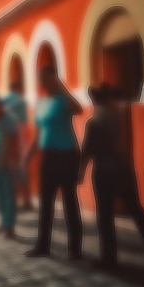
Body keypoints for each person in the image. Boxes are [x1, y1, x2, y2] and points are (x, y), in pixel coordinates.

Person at [79, 84, 144, 270]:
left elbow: (87, 150)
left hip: (103, 171)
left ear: (94, 99)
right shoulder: (119, 116)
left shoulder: (93, 122)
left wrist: (80, 172)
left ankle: (109, 258)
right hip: (123, 168)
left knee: (104, 215)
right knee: (135, 209)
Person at [25, 65, 83, 260]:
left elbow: (79, 109)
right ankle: (43, 245)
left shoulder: (63, 99)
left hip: (67, 155)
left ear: (54, 80)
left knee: (69, 201)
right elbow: (38, 132)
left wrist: (63, 88)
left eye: (47, 78)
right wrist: (29, 155)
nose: (43, 82)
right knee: (46, 202)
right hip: (48, 156)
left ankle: (75, 249)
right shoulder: (41, 103)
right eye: (41, 79)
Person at [0, 96, 18, 239]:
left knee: (8, 194)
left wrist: (6, 160)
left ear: (0, 107)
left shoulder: (8, 121)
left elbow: (12, 142)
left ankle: (9, 226)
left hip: (6, 163)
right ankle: (4, 222)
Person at [3, 81, 33, 210]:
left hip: (10, 145)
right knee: (21, 170)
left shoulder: (5, 102)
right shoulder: (21, 101)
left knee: (12, 173)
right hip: (20, 140)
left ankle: (15, 201)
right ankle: (26, 200)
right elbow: (25, 120)